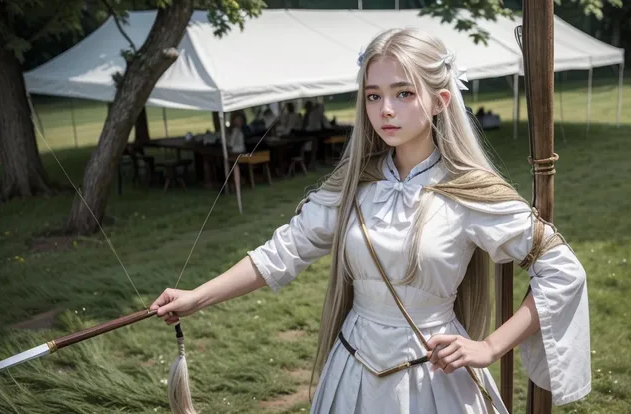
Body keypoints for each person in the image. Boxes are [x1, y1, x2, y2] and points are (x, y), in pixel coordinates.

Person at [150, 28, 590, 414]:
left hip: (432, 377)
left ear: (440, 101)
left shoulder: (468, 190)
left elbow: (562, 271)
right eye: (374, 96)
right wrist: (198, 297)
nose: (386, 110)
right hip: (351, 372)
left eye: (403, 93)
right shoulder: (353, 185)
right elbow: (285, 251)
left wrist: (490, 346)